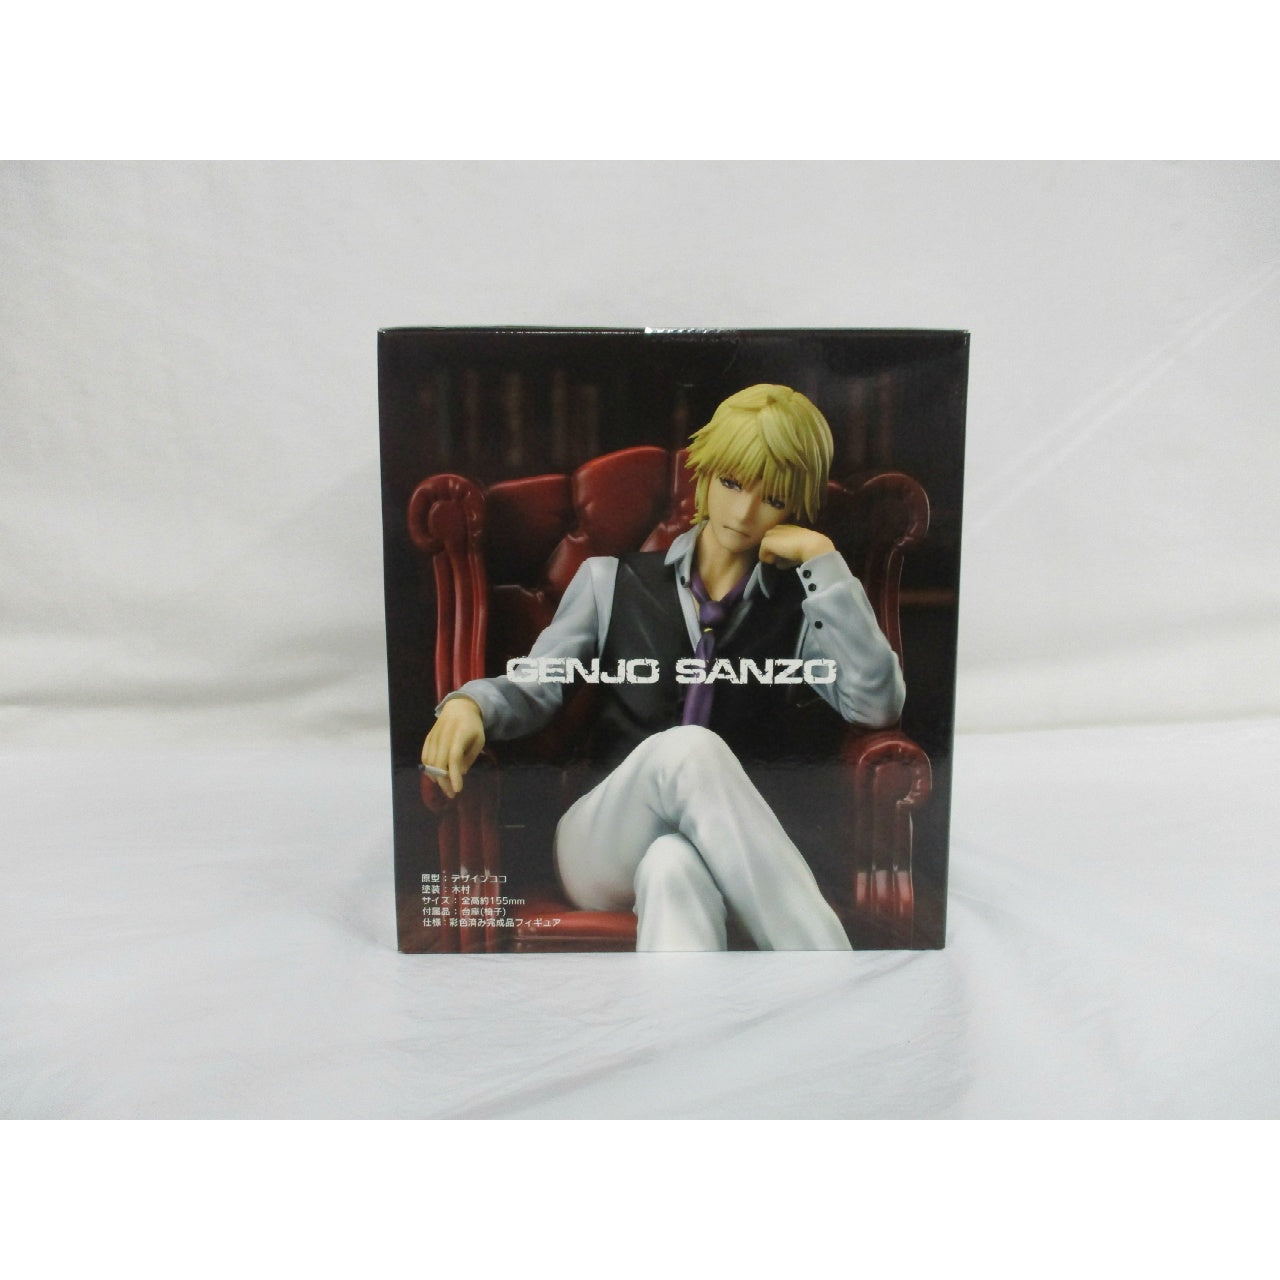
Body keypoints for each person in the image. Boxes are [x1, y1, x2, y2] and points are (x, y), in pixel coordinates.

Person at [421, 384, 905, 950]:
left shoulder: (806, 608)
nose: (744, 511)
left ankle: (685, 1013)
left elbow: (876, 705)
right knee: (689, 748)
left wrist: (823, 562)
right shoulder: (608, 581)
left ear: (794, 506)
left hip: (723, 856)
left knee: (672, 869)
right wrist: (470, 703)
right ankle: (829, 973)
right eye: (731, 483)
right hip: (600, 845)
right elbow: (535, 686)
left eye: (772, 497)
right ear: (705, 476)